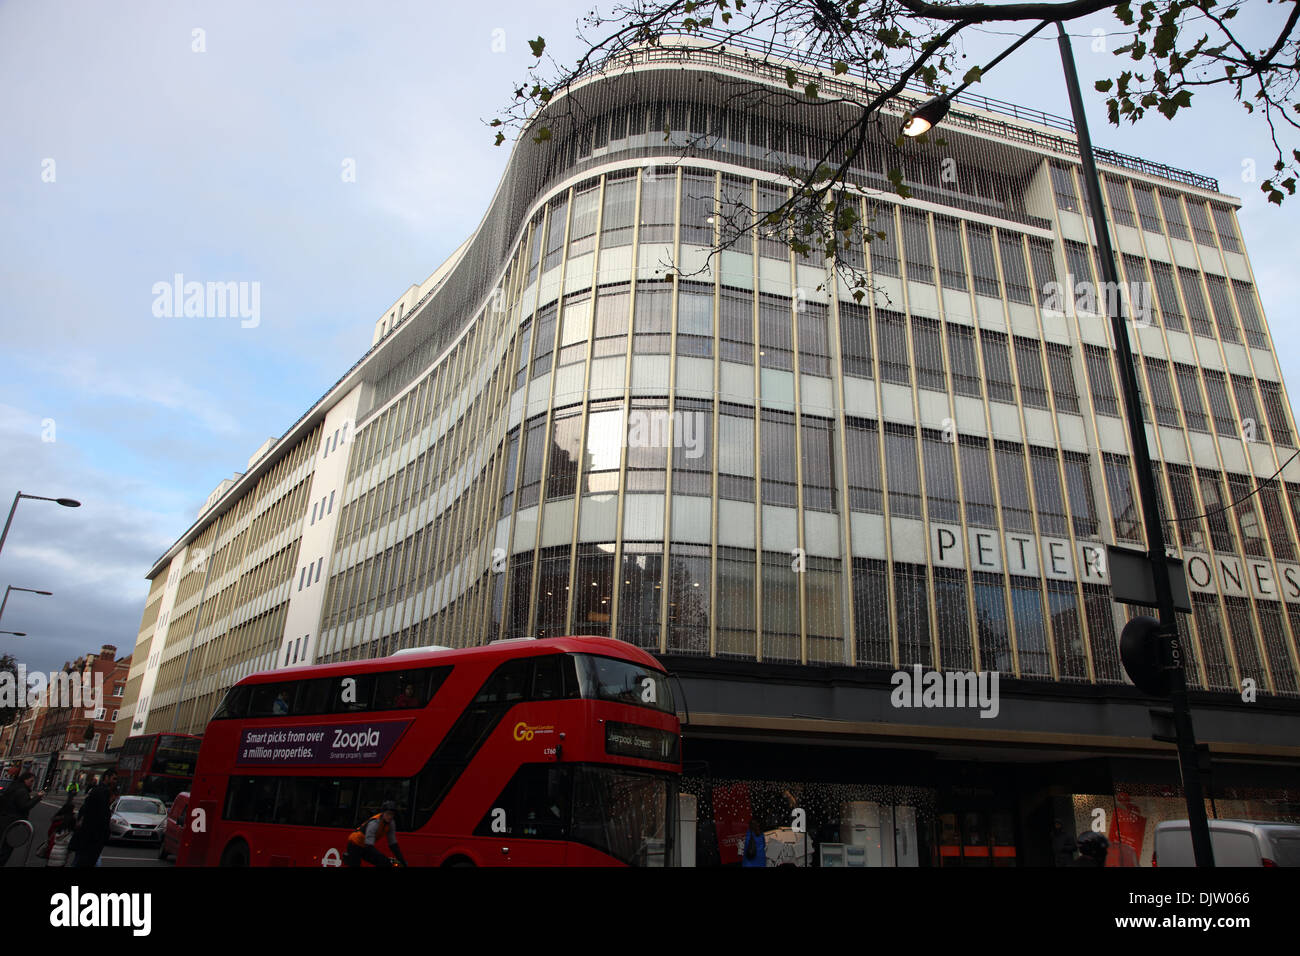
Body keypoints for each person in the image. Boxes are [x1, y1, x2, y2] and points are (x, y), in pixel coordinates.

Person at [72, 768, 117, 868]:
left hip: (88, 835)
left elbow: (86, 809)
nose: (115, 781)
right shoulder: (103, 792)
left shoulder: (96, 790)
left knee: (80, 861)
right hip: (93, 837)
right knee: (86, 861)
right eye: (114, 779)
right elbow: (100, 815)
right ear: (106, 777)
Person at [0, 771, 45, 866]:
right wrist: (38, 797)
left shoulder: (14, 787)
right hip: (12, 821)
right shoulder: (22, 791)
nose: (32, 783)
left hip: (4, 819)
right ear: (25, 779)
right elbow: (25, 806)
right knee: (6, 849)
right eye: (31, 781)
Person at [345, 800, 407, 867]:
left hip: (365, 846)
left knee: (386, 863)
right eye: (388, 814)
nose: (390, 816)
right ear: (383, 813)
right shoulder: (375, 823)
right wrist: (383, 858)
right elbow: (369, 846)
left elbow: (393, 844)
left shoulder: (391, 823)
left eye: (392, 814)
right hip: (355, 844)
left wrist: (401, 860)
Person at [45, 795, 77, 867]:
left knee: (50, 862)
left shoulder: (57, 820)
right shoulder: (71, 821)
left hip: (52, 845)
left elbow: (50, 831)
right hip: (63, 849)